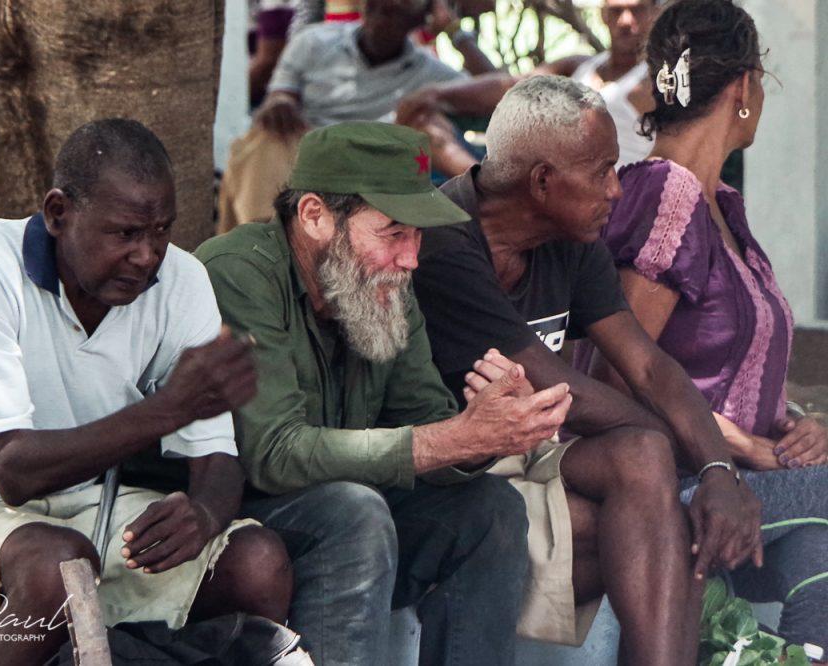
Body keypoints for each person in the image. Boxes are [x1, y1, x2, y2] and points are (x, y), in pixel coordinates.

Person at [0, 119, 292, 666]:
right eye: (126, 233)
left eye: (161, 231)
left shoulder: (182, 281)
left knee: (256, 562)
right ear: (58, 213)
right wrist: (169, 408)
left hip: (87, 511)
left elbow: (215, 456)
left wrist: (203, 513)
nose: (147, 255)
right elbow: (13, 471)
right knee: (58, 565)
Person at [410, 76, 763, 665]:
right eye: (601, 171)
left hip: (529, 450)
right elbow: (551, 381)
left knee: (643, 458)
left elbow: (648, 366)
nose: (617, 190)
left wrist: (719, 469)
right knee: (656, 515)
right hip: (449, 467)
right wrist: (688, 450)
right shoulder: (446, 241)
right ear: (542, 181)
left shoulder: (569, 238)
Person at [196, 121, 573, 665]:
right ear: (314, 216)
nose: (411, 257)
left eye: (418, 235)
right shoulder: (240, 272)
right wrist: (453, 438)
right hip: (231, 518)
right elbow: (272, 453)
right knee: (356, 511)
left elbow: (428, 419)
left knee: (491, 509)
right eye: (394, 233)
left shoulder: (384, 283)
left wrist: (490, 429)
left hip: (349, 504)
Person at [573, 0, 828, 657]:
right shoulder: (668, 196)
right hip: (679, 488)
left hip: (749, 483)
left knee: (817, 555)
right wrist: (744, 449)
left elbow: (731, 370)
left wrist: (795, 426)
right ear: (744, 86)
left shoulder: (723, 207)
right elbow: (619, 383)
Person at [219, 0, 487, 234]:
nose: (385, 8)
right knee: (262, 141)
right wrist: (279, 103)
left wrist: (455, 33)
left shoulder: (432, 74)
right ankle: (263, 240)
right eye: (377, 2)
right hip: (303, 149)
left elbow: (502, 93)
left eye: (401, 5)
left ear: (421, 16)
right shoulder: (313, 41)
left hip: (368, 167)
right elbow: (280, 95)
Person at [397, 0, 660, 175]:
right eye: (616, 10)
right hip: (542, 179)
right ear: (603, 14)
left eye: (637, 10)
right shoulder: (577, 65)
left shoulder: (654, 81)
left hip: (600, 192)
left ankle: (483, 193)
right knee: (425, 123)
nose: (626, 20)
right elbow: (510, 88)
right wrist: (436, 95)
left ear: (654, 14)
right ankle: (481, 189)